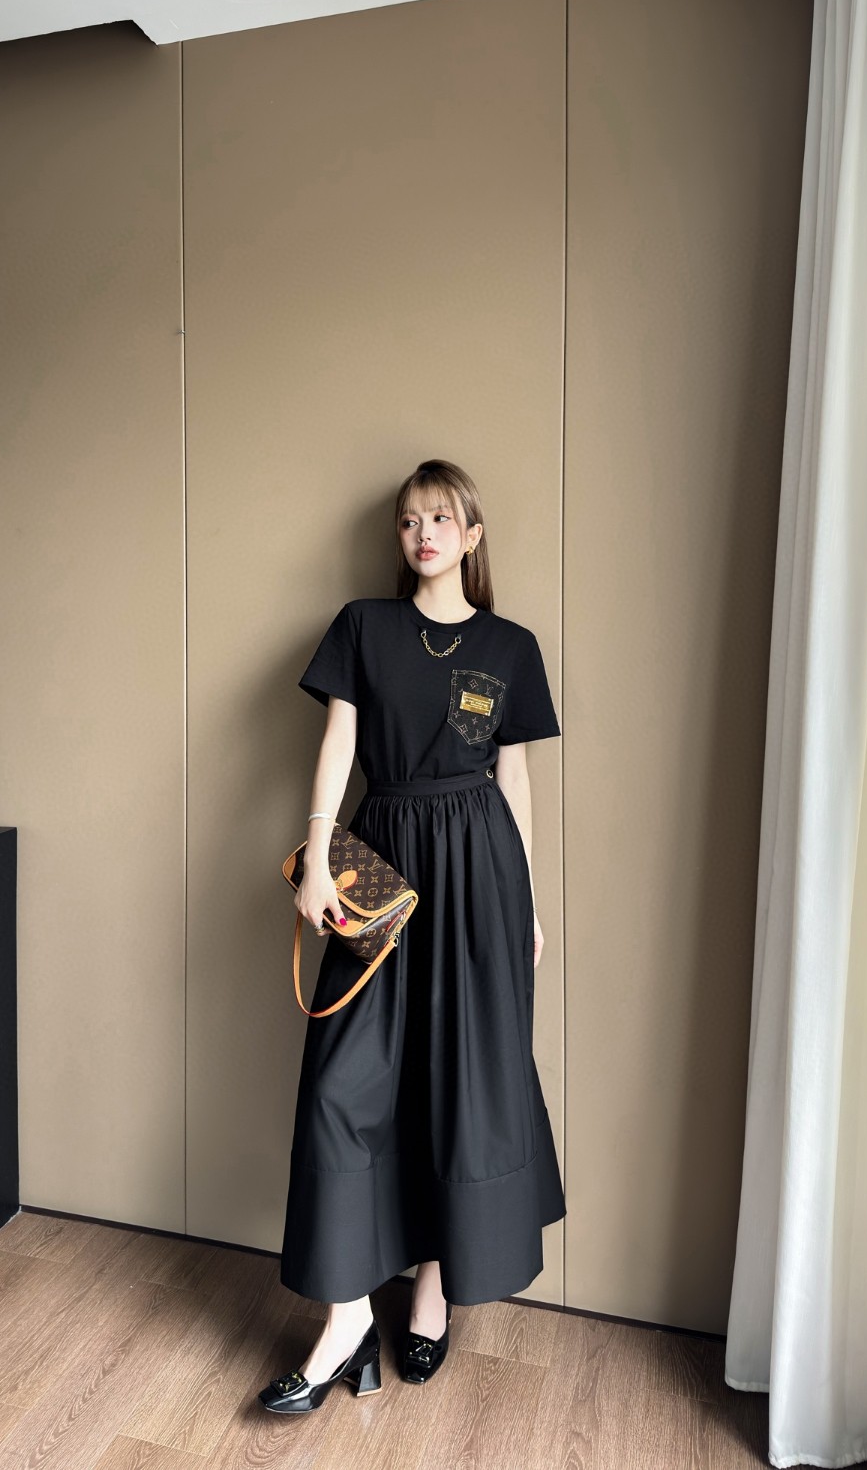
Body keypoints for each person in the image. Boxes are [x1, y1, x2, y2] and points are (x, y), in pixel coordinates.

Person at [258, 457, 566, 1415]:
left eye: (441, 518)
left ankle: (435, 1287)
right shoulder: (364, 626)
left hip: (481, 878)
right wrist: (318, 855)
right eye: (408, 520)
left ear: (471, 536)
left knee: (458, 1082)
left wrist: (528, 905)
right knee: (340, 1083)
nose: (423, 533)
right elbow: (339, 743)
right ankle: (347, 1317)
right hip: (381, 862)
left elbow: (514, 780)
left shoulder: (511, 647)